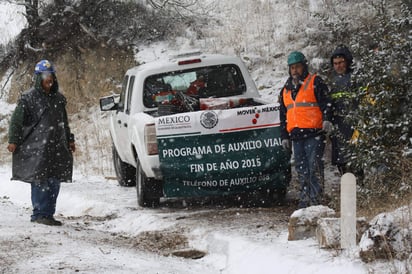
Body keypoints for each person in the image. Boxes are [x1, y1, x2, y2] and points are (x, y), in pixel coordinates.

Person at [8, 60, 75, 226]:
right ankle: (39, 214)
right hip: (37, 147)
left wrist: (70, 139)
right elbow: (16, 121)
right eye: (45, 75)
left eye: (51, 75)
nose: (49, 78)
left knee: (54, 180)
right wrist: (13, 140)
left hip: (57, 146)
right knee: (40, 180)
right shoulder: (28, 98)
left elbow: (64, 122)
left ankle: (48, 214)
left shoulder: (59, 99)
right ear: (38, 77)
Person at [279, 51, 332, 208]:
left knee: (314, 167)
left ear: (304, 67)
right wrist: (284, 136)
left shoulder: (315, 82)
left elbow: (326, 102)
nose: (295, 70)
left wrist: (327, 119)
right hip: (296, 136)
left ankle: (315, 201)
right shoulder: (286, 90)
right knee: (301, 170)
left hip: (313, 133)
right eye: (292, 68)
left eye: (298, 67)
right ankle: (304, 200)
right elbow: (283, 115)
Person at [329, 45, 360, 176]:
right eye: (335, 63)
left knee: (356, 161)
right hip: (338, 126)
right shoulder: (332, 82)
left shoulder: (356, 79)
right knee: (341, 162)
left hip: (354, 125)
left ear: (347, 61)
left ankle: (360, 189)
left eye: (341, 62)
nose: (338, 66)